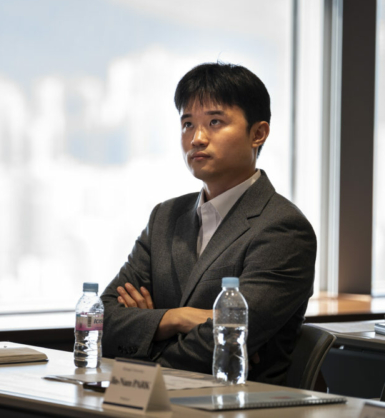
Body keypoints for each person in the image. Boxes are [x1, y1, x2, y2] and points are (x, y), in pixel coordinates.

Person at [101, 62, 316, 385]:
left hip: (236, 402)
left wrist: (146, 340)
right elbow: (102, 319)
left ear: (258, 133)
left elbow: (223, 345)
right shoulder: (165, 217)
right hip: (153, 398)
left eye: (215, 122)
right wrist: (177, 318)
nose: (197, 138)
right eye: (188, 124)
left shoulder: (283, 229)